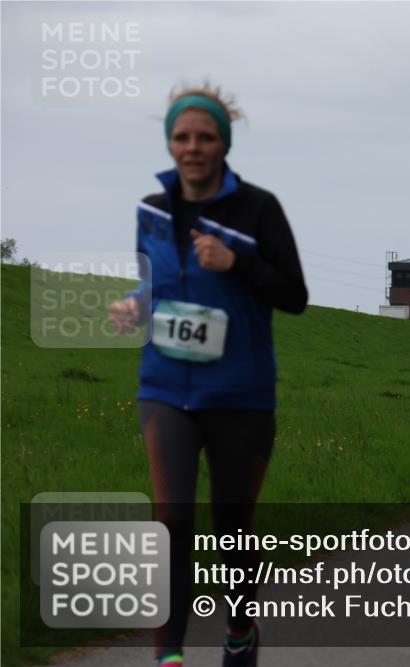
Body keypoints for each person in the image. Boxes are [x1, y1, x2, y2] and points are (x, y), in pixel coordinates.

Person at [107, 85, 308, 667]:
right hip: (165, 385)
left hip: (240, 391)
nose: (193, 147)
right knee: (170, 520)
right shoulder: (150, 209)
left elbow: (294, 296)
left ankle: (240, 628)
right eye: (182, 137)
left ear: (224, 143)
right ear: (169, 143)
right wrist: (131, 305)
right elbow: (150, 284)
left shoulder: (259, 209)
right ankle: (168, 653)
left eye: (205, 137)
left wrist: (236, 262)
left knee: (231, 528)